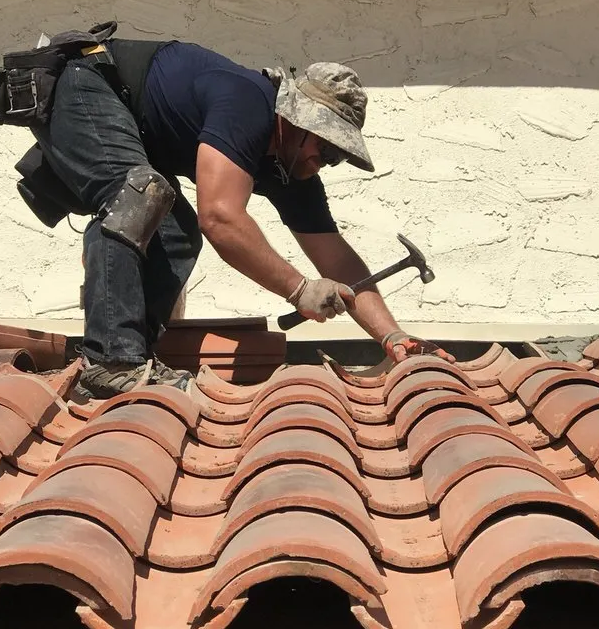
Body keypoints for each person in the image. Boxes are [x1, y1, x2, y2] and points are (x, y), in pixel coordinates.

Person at [33, 36, 453, 398]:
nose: (323, 162)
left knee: (176, 232)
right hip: (88, 82)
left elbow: (338, 261)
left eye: (337, 157)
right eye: (324, 148)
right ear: (295, 122)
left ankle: (133, 357)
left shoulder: (292, 170)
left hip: (127, 113)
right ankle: (112, 361)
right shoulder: (249, 105)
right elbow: (219, 218)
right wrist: (298, 289)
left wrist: (393, 338)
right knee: (139, 198)